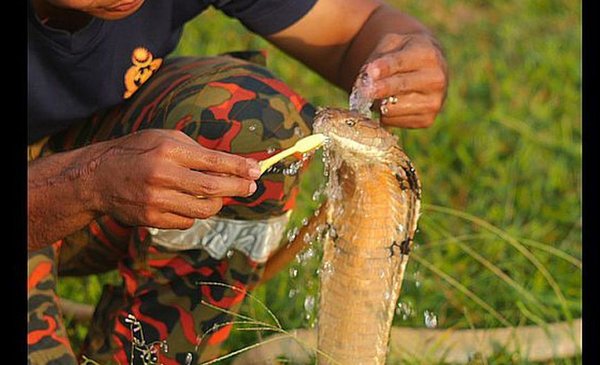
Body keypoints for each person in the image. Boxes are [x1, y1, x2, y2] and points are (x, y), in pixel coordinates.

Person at [27, 0, 448, 363]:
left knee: (249, 123)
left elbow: (357, 26)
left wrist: (406, 62)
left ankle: (143, 354)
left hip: (79, 170)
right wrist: (89, 181)